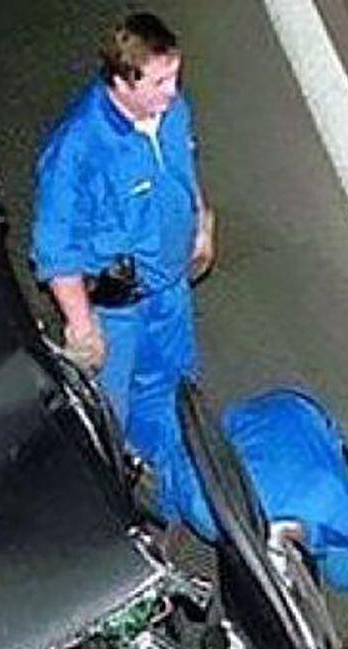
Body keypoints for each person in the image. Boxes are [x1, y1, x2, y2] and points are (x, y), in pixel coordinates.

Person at [31, 10, 215, 505]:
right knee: (111, 411)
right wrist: (82, 326)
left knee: (175, 388)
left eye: (174, 76)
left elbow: (183, 165)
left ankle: (173, 474)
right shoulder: (77, 151)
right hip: (117, 311)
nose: (172, 91)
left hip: (169, 290)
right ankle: (112, 498)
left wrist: (201, 221)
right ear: (121, 81)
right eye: (158, 81)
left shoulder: (171, 111)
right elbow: (56, 251)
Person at [163, 388, 348, 649]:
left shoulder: (337, 506)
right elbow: (180, 464)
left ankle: (336, 457)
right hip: (252, 418)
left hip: (298, 412)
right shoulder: (203, 507)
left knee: (346, 574)